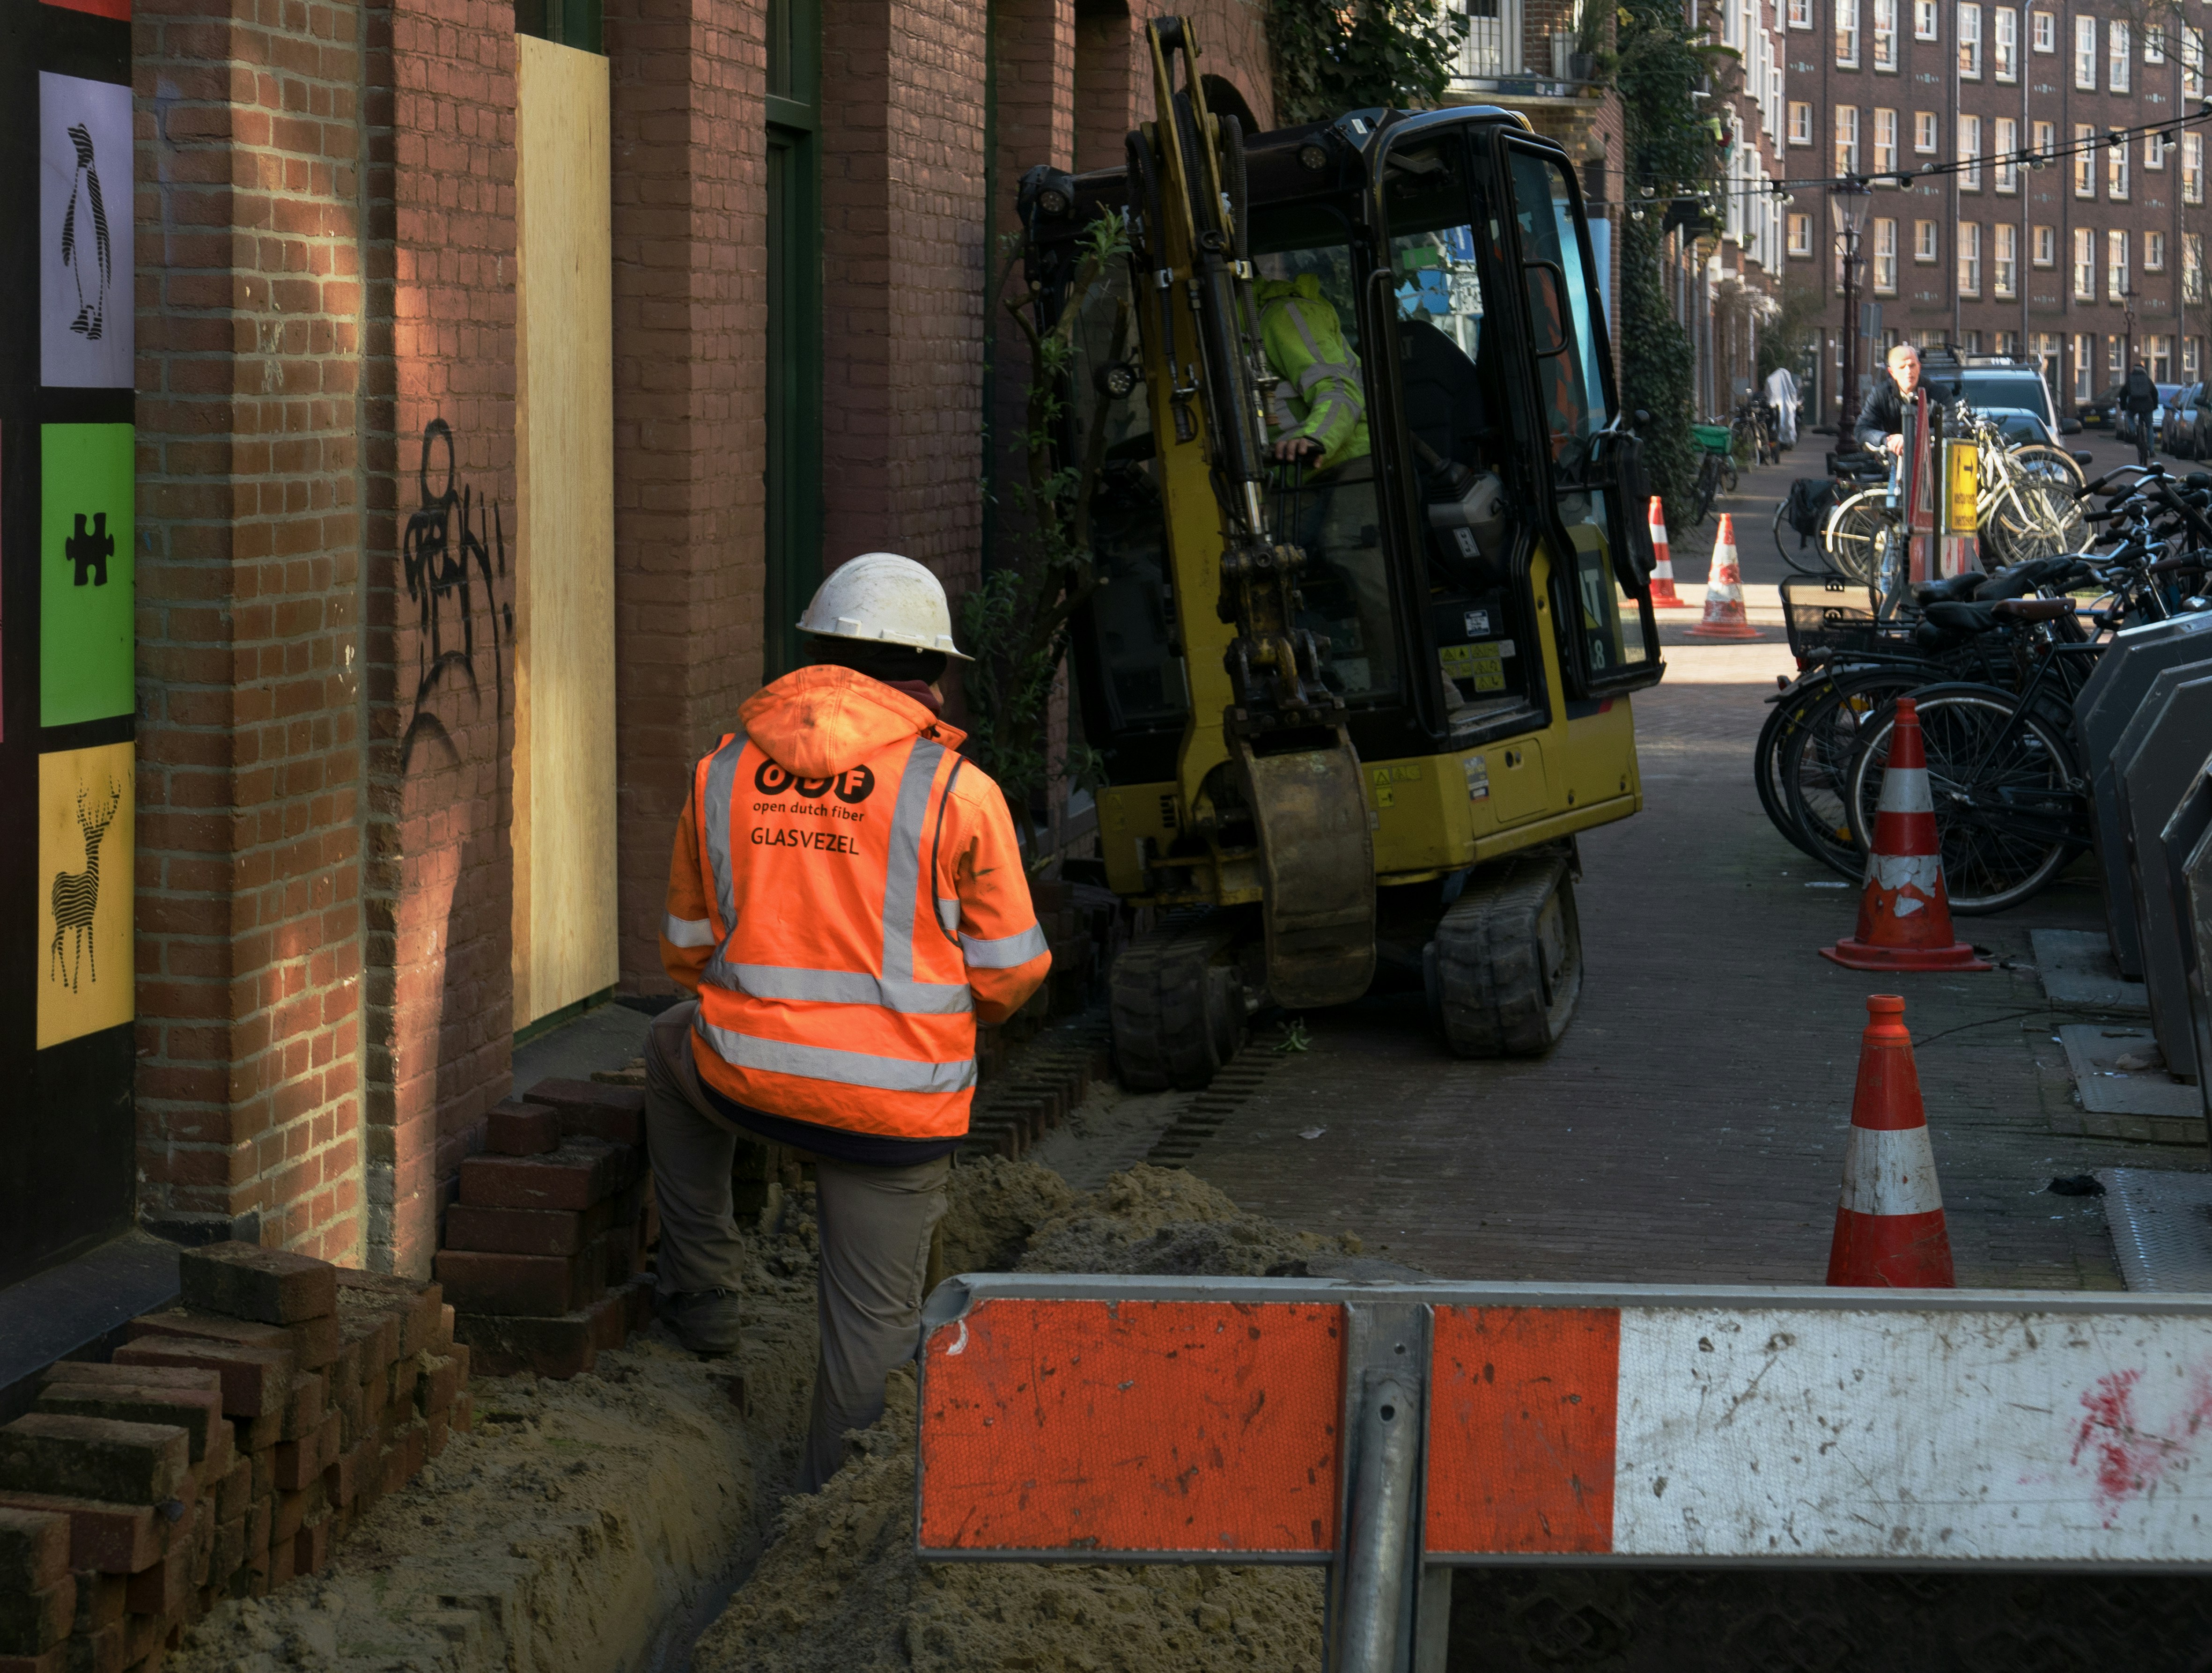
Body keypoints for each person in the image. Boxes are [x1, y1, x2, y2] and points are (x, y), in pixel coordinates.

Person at [648, 552, 1052, 1491]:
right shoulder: (960, 793)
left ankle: (703, 1295)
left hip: (745, 1081)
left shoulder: (722, 771)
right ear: (934, 674)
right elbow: (1013, 972)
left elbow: (683, 949)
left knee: (666, 1045)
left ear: (812, 656)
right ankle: (823, 1522)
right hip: (893, 1121)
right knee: (866, 1344)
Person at [1853, 342, 1923, 458]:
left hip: (1931, 464)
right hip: (1895, 462)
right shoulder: (1881, 393)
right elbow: (1862, 430)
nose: (1908, 372)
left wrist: (1910, 437)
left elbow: (1949, 429)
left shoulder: (1937, 393)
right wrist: (1887, 440)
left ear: (1919, 367)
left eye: (1912, 366)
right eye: (1902, 367)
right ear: (1892, 373)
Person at [2123, 361, 2160, 465]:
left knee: (2129, 417)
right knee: (2150, 426)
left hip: (2134, 405)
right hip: (2148, 406)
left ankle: (2133, 431)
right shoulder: (2148, 380)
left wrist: (2123, 406)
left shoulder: (2130, 380)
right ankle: (2152, 450)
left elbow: (2123, 394)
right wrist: (2155, 406)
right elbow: (2155, 393)